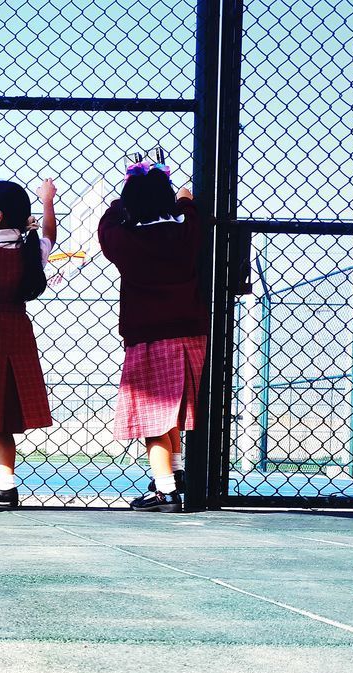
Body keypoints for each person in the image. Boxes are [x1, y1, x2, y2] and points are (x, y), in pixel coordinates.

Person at [98, 150, 209, 513]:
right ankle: (174, 475)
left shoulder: (125, 241)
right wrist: (184, 201)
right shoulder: (186, 235)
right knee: (173, 413)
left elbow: (107, 224)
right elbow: (190, 211)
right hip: (191, 333)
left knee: (152, 416)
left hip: (147, 337)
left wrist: (124, 197)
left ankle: (164, 489)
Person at [0, 177, 58, 508]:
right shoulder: (32, 250)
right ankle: (6, 484)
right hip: (19, 329)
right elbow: (50, 234)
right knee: (6, 411)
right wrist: (47, 201)